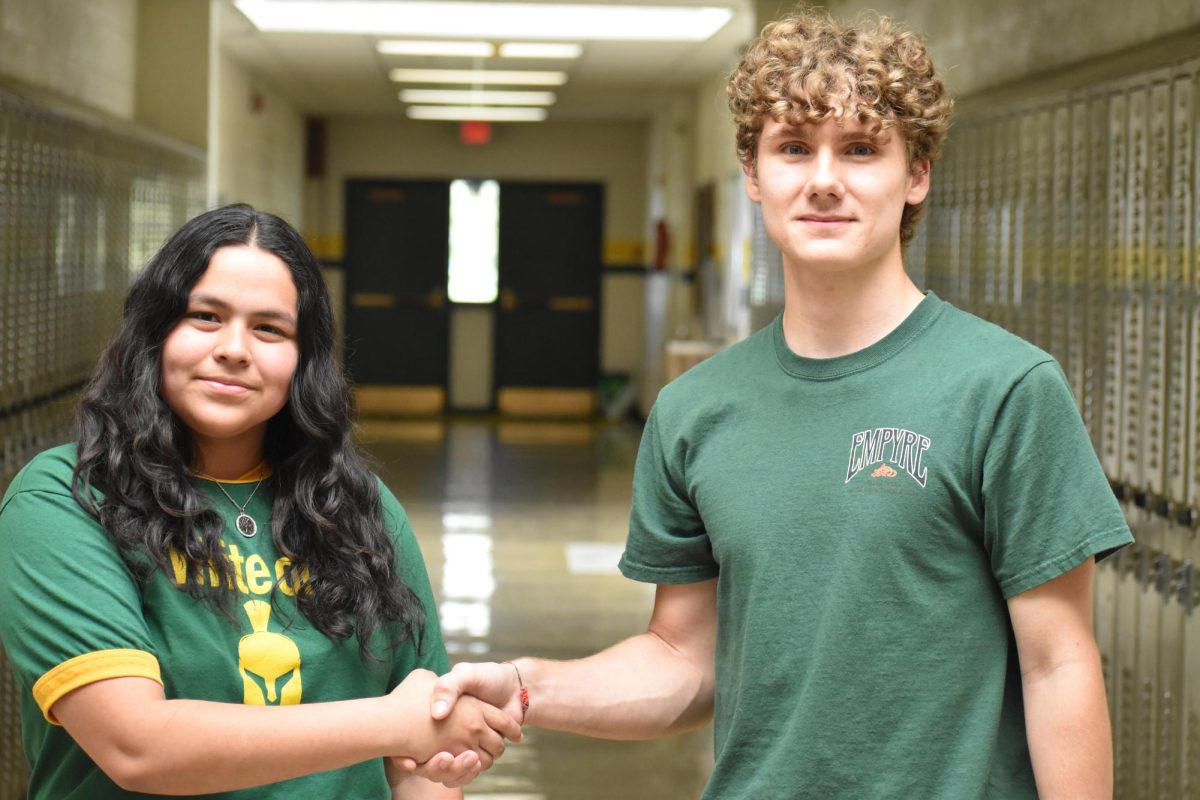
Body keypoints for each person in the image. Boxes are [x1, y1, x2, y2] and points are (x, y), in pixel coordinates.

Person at [407, 8, 1133, 799]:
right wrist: (522, 687)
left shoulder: (1005, 390)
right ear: (754, 175)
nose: (824, 178)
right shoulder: (693, 412)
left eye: (861, 148)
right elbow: (686, 662)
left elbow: (1058, 664)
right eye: (793, 148)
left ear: (915, 173)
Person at [0, 204, 520, 799]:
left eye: (269, 328)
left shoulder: (356, 506)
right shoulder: (65, 500)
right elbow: (138, 746)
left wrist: (426, 754)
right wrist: (391, 723)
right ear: (154, 331)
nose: (234, 349)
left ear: (304, 360)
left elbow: (424, 748)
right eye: (205, 316)